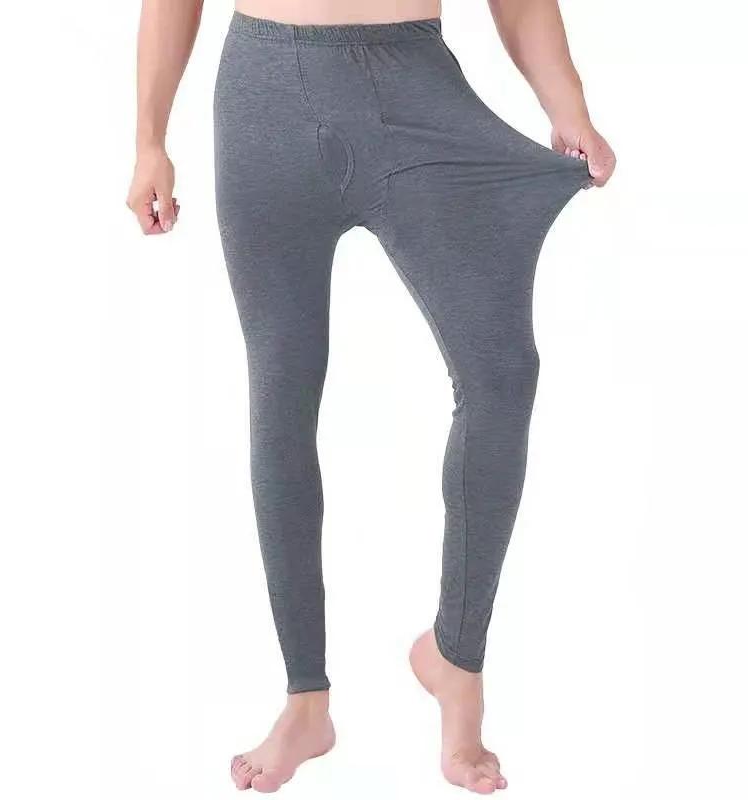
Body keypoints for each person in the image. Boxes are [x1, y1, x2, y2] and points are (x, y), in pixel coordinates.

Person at [127, 0, 615, 794]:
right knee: (281, 393)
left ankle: (456, 661)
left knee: (501, 374)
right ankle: (305, 701)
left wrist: (569, 109)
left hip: (417, 94)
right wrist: (150, 138)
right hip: (264, 102)